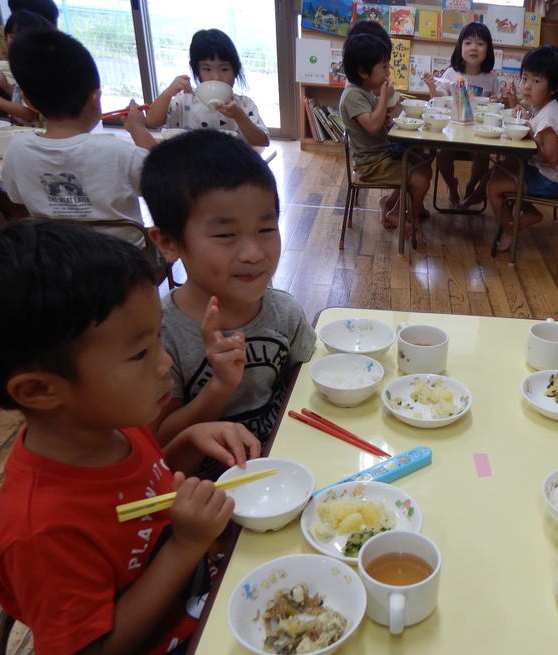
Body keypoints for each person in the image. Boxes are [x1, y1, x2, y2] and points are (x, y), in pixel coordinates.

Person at [0, 220, 261, 655]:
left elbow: (149, 487)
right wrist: (186, 546)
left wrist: (190, 436)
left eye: (156, 340)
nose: (165, 363)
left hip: (193, 602)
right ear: (40, 389)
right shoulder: (41, 529)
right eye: (139, 353)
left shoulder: (115, 427)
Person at [140, 129, 317, 454]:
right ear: (168, 242)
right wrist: (220, 386)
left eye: (266, 229)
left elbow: (304, 386)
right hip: (206, 489)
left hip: (285, 463)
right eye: (225, 235)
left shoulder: (285, 311)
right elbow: (160, 443)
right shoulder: (157, 336)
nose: (253, 252)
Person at [0, 30, 157, 246]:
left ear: (27, 100)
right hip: (123, 265)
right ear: (96, 99)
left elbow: (16, 197)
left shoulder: (16, 150)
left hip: (58, 264)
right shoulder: (119, 152)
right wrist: (139, 130)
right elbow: (164, 182)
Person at [473, 45, 558, 249]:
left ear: (553, 88)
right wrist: (517, 107)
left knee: (493, 187)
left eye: (536, 81)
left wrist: (530, 133)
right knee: (500, 169)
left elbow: (553, 158)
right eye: (525, 78)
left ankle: (510, 230)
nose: (527, 86)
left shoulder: (549, 119)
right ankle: (528, 212)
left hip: (551, 180)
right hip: (546, 173)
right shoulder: (544, 108)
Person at [339, 32, 432, 243]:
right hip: (372, 163)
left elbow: (380, 120)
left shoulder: (365, 91)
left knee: (425, 163)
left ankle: (391, 205)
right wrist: (384, 98)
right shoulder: (353, 94)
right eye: (383, 66)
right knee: (422, 178)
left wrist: (390, 105)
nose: (388, 70)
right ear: (363, 71)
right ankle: (407, 217)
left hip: (383, 153)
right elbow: (372, 126)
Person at [421, 21, 513, 206]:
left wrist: (497, 101)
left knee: (482, 156)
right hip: (451, 132)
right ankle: (452, 184)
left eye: (480, 44)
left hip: (478, 133)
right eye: (468, 43)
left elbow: (498, 105)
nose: (474, 48)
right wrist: (432, 85)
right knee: (441, 154)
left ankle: (471, 185)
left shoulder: (491, 78)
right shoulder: (450, 73)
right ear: (460, 47)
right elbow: (438, 104)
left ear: (488, 49)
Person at [145, 28, 269, 147]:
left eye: (224, 69)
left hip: (232, 167)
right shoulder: (184, 101)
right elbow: (152, 121)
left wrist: (239, 116)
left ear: (235, 71)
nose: (215, 77)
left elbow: (262, 141)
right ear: (196, 70)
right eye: (207, 69)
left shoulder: (244, 105)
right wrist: (167, 93)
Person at [0, 9, 54, 124]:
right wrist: (5, 86)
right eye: (13, 37)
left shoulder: (35, 70)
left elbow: (28, 113)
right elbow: (22, 99)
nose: (19, 42)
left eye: (26, 37)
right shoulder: (25, 64)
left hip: (37, 134)